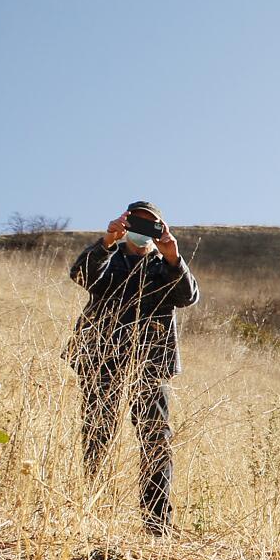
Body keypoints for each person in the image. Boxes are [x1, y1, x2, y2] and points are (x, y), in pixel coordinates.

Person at [66, 201, 199, 535]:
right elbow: (80, 275)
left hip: (151, 362)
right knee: (97, 431)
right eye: (135, 223)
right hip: (101, 358)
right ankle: (86, 511)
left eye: (151, 225)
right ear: (124, 224)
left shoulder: (165, 266)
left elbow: (188, 297)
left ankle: (157, 525)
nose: (142, 231)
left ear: (160, 230)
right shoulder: (108, 259)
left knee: (156, 439)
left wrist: (173, 256)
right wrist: (107, 241)